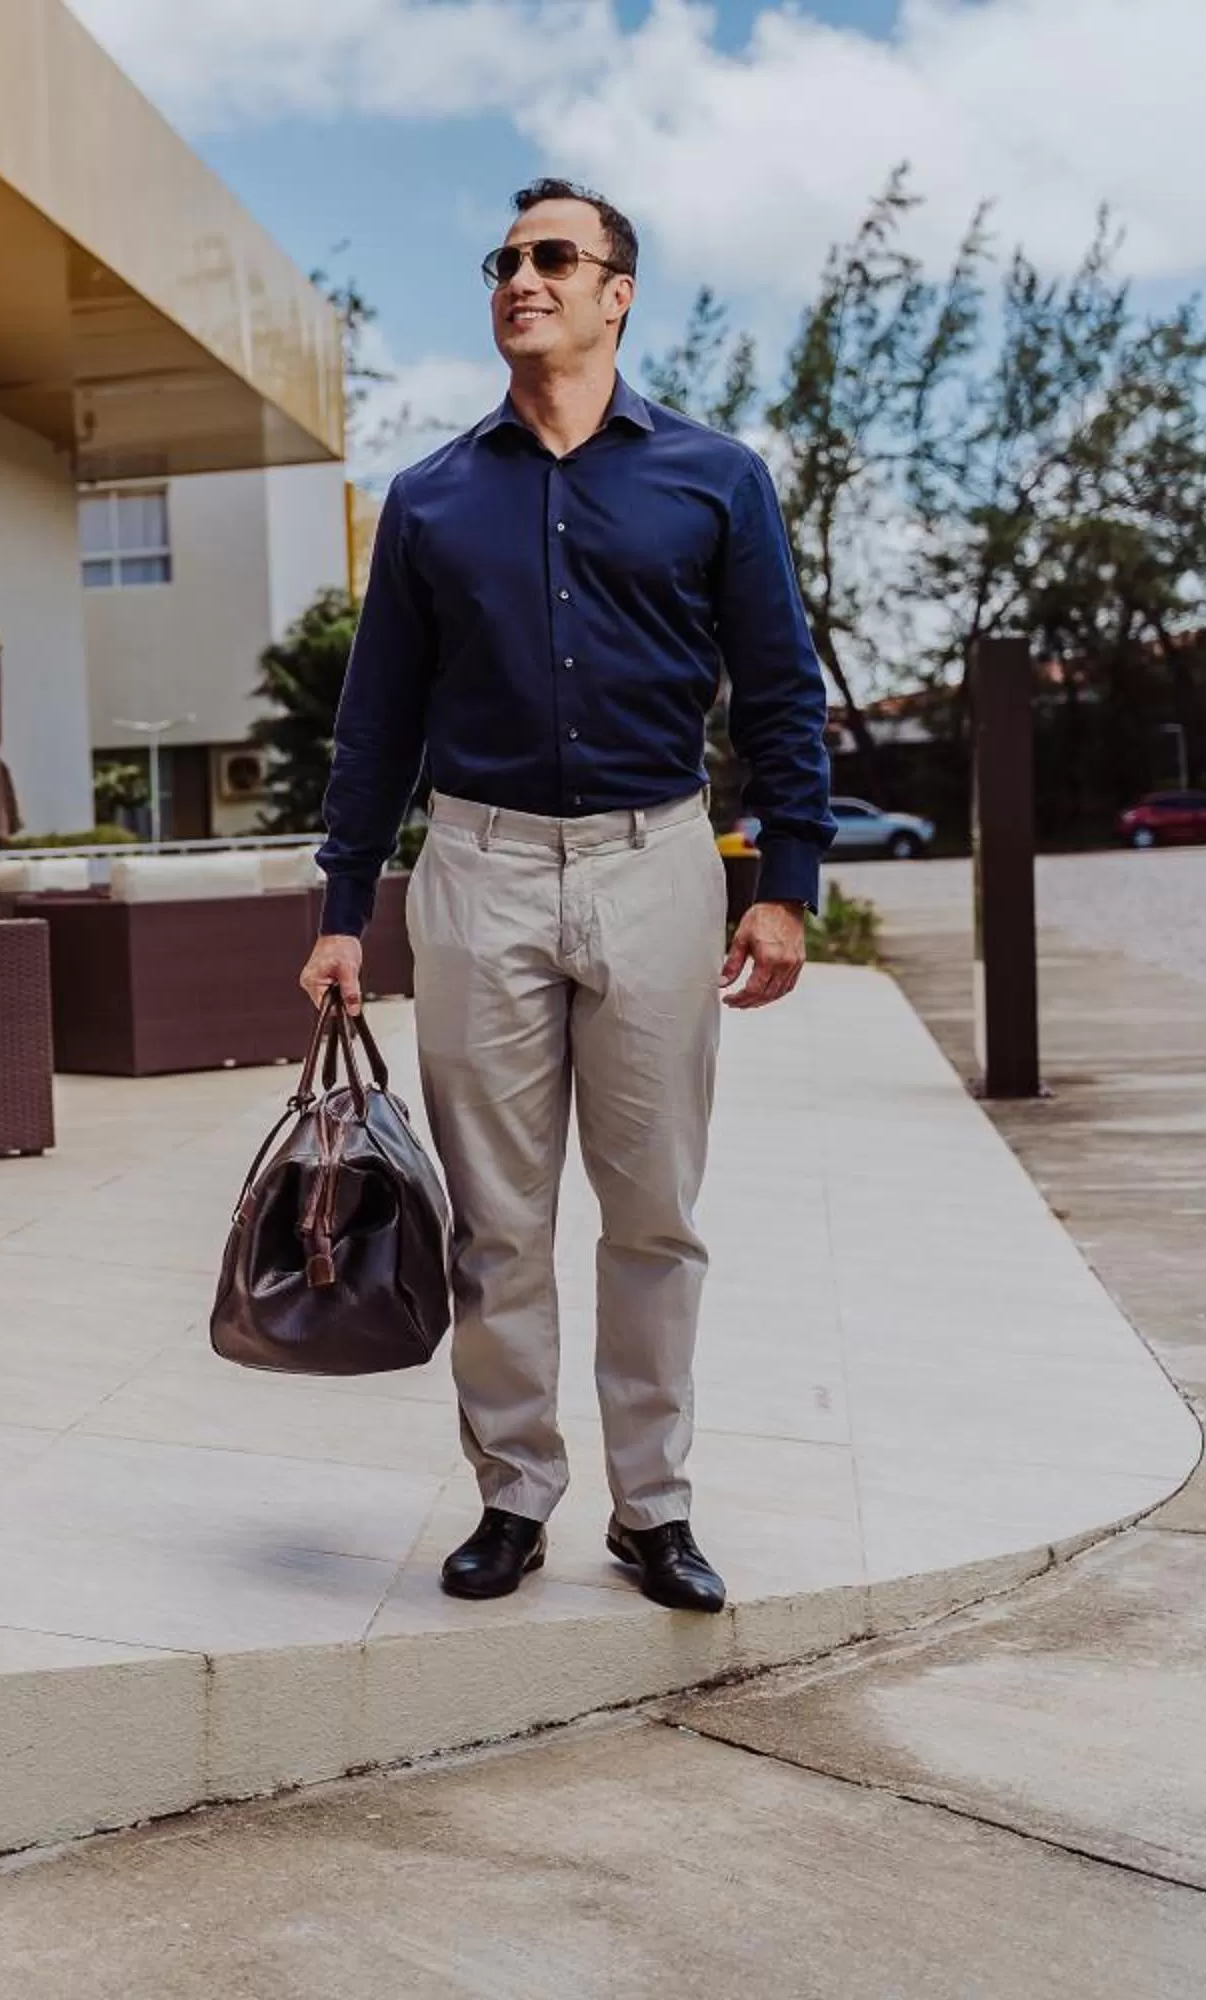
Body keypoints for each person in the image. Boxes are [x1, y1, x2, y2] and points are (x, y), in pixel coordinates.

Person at [301, 179, 833, 1613]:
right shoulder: (429, 502)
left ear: (617, 294)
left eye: (554, 257)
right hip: (474, 871)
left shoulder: (714, 480)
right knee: (497, 1219)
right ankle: (516, 1493)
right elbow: (378, 722)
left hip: (655, 861)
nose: (523, 277)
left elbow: (782, 694)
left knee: (654, 1211)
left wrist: (783, 886)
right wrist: (344, 905)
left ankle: (652, 1507)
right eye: (507, 260)